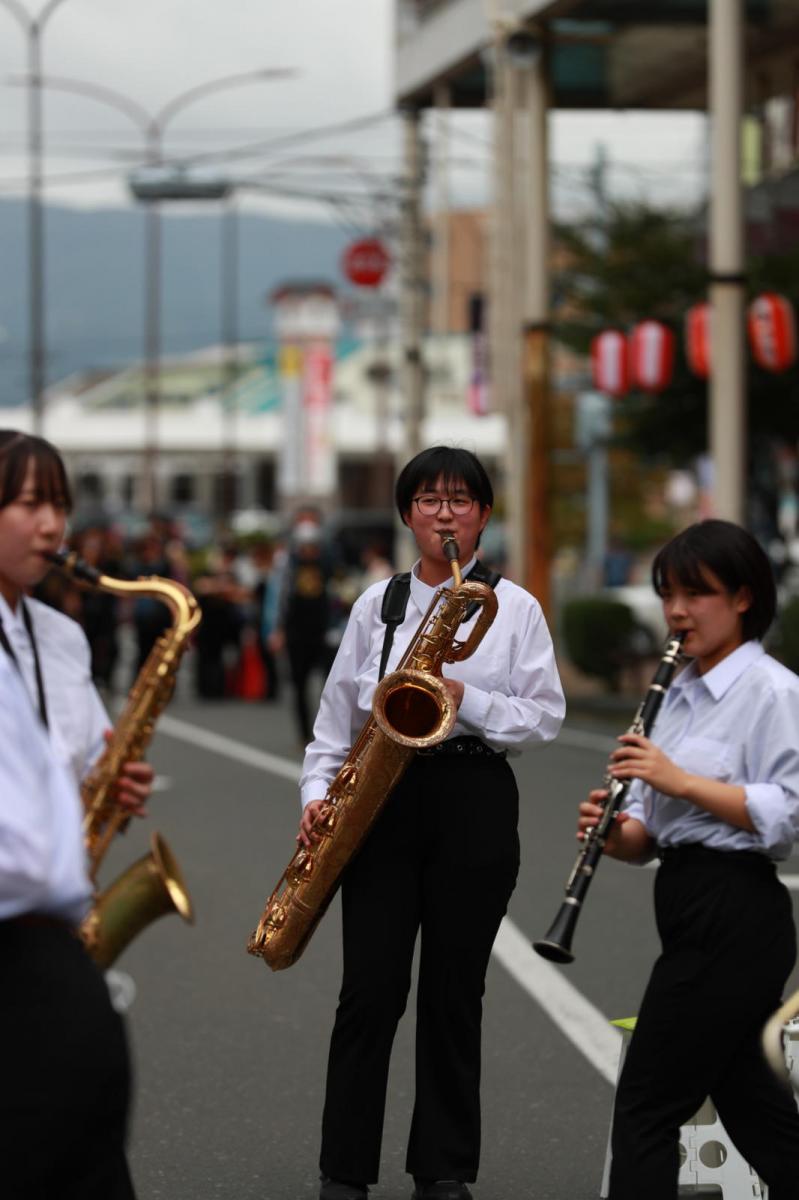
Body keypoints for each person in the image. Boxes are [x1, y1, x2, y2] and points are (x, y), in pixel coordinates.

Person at [297, 446, 565, 1200]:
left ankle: (442, 1169)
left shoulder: (516, 608)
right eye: (428, 500)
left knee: (454, 993)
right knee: (369, 991)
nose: (444, 514)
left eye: (459, 500)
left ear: (483, 514)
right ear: (407, 514)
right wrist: (316, 796)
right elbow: (333, 725)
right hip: (379, 800)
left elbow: (543, 716)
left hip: (472, 794)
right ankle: (344, 1170)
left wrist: (463, 698)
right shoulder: (374, 606)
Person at [577, 518, 799, 1200]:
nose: (676, 610)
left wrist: (678, 780)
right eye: (667, 593)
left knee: (646, 1106)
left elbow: (786, 814)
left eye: (695, 593)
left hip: (734, 913)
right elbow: (653, 829)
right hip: (686, 899)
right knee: (757, 1113)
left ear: (742, 597)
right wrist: (616, 835)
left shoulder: (772, 691)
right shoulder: (674, 692)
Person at [0, 430, 149, 1197]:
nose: (53, 525)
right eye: (30, 503)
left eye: (58, 503)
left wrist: (111, 781)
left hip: (52, 932)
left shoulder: (59, 635)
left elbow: (88, 752)